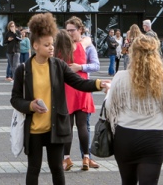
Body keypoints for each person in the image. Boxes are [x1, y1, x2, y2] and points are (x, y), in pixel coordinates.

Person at [10, 12, 108, 185]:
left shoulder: (58, 66)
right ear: (35, 46)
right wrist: (30, 105)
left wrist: (99, 84)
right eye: (46, 45)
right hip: (33, 130)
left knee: (57, 168)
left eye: (52, 44)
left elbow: (79, 82)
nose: (51, 48)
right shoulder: (23, 69)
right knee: (34, 169)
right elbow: (15, 99)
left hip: (55, 128)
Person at [106, 35, 163, 185]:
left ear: (132, 54)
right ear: (156, 54)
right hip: (152, 138)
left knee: (127, 182)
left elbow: (109, 107)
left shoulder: (120, 77)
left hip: (125, 137)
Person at [56, 17, 99, 172]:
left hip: (72, 89)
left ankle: (69, 158)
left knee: (75, 126)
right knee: (81, 126)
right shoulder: (82, 44)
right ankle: (85, 157)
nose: (69, 33)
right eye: (67, 30)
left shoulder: (65, 47)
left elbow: (96, 65)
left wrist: (80, 66)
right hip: (81, 88)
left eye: (72, 30)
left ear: (80, 29)